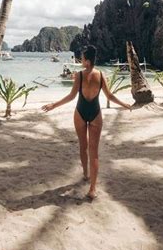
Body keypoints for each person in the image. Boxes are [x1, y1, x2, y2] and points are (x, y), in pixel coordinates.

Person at [42, 45, 132, 199]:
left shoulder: (79, 76)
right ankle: (92, 189)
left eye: (83, 58)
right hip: (95, 113)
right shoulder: (102, 75)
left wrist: (53, 105)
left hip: (80, 112)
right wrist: (125, 104)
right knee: (93, 152)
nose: (81, 60)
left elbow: (71, 97)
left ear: (88, 61)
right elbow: (109, 96)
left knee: (83, 146)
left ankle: (85, 174)